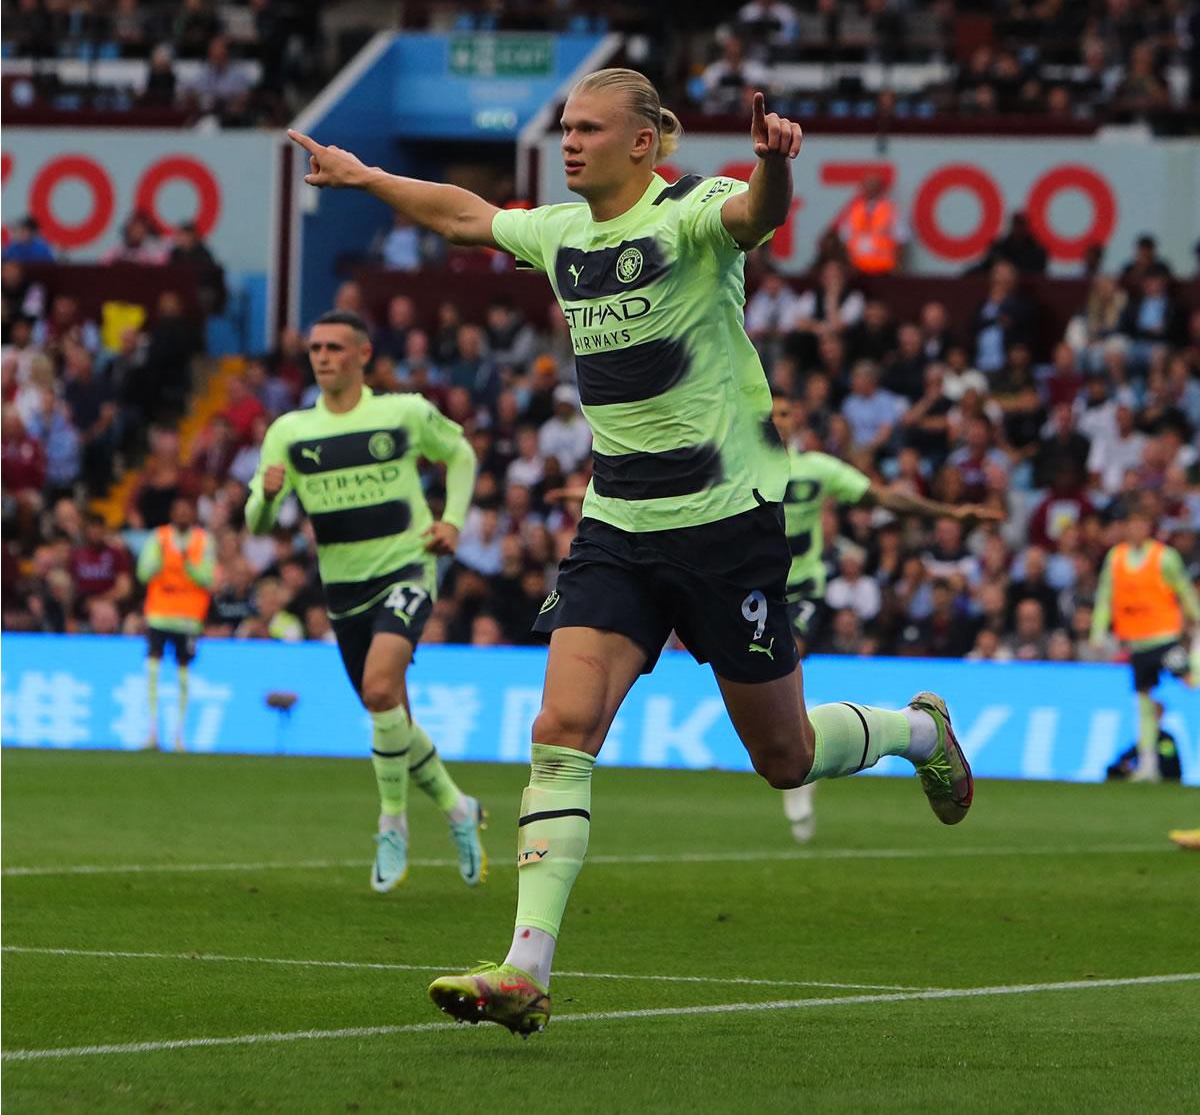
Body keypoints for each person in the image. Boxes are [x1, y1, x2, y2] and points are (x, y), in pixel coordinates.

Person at [288, 68, 975, 1039]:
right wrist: (364, 177)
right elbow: (464, 215)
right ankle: (525, 967)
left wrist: (773, 167)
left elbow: (753, 215)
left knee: (783, 755)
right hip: (617, 524)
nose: (569, 142)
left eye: (589, 128)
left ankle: (918, 731)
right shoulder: (562, 234)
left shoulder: (690, 213)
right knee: (561, 727)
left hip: (724, 525)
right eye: (564, 126)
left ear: (644, 143)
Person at [244, 310, 487, 893]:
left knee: (380, 688)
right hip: (342, 590)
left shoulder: (402, 412)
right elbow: (256, 522)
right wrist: (269, 498)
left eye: (333, 347)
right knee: (390, 715)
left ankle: (392, 824)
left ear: (362, 354)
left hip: (407, 569)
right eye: (315, 348)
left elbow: (461, 455)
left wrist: (452, 521)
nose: (322, 356)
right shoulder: (289, 432)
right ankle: (458, 810)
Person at [771, 392, 1002, 841]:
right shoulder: (739, 468)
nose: (777, 420)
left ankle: (811, 759)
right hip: (755, 592)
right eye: (771, 413)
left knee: (788, 658)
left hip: (802, 589)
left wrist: (950, 513)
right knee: (767, 692)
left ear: (796, 421)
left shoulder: (817, 469)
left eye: (785, 412)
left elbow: (884, 499)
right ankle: (802, 754)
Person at [1090, 501, 1199, 782]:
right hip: (1137, 644)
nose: (1136, 530)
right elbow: (1106, 595)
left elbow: (1183, 589)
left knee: (1190, 680)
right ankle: (1148, 764)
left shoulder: (1164, 557)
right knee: (1144, 702)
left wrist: (1196, 617)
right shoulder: (1116, 557)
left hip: (1164, 638)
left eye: (1141, 525)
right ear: (1126, 528)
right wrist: (1098, 631)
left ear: (1149, 528)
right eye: (1132, 525)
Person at [136, 496, 215, 751]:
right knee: (153, 672)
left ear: (192, 514)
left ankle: (179, 735)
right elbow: (143, 573)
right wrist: (158, 560)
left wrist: (186, 563)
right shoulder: (158, 538)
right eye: (177, 510)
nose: (182, 515)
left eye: (186, 510)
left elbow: (206, 577)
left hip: (189, 619)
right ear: (171, 512)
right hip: (159, 613)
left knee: (182, 676)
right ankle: (151, 733)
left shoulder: (204, 540)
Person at [835, 172, 905, 274]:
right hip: (857, 268)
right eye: (868, 186)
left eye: (874, 186)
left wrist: (897, 264)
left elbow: (901, 239)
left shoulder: (891, 210)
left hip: (884, 268)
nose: (871, 190)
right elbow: (844, 238)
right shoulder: (854, 210)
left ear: (881, 189)